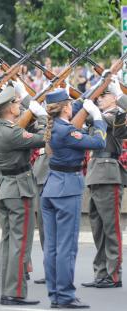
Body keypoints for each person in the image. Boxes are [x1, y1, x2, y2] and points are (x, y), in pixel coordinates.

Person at [41, 88, 107, 309]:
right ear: (65, 108)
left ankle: (55, 295)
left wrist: (86, 96)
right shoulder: (67, 131)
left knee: (52, 247)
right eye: (69, 104)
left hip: (51, 188)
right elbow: (99, 143)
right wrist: (97, 118)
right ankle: (66, 296)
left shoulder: (53, 126)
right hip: (67, 190)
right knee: (66, 247)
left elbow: (74, 107)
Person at [0, 86, 47, 305]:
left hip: (6, 188)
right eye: (16, 104)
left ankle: (7, 289)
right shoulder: (12, 132)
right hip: (19, 189)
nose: (19, 107)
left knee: (8, 242)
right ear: (10, 108)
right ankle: (15, 293)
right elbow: (42, 138)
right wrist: (40, 116)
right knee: (20, 243)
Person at [81, 80, 127, 289]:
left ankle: (113, 275)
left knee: (111, 227)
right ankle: (101, 273)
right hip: (95, 173)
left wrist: (120, 95)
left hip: (109, 174)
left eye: (104, 94)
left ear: (114, 97)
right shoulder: (97, 116)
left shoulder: (118, 114)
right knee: (98, 228)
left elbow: (105, 123)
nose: (99, 98)